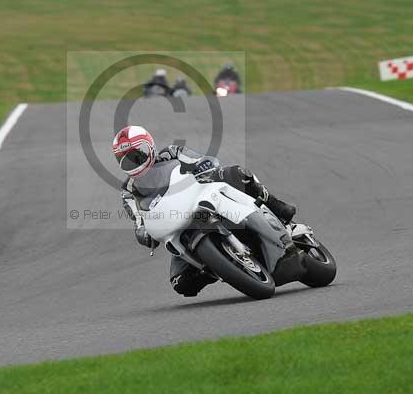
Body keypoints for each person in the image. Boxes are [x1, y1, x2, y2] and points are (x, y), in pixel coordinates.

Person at [112, 125, 298, 297]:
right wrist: (144, 234)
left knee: (238, 174)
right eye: (126, 160)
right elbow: (138, 221)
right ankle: (219, 267)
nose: (134, 162)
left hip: (201, 198)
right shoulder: (128, 191)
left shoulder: (170, 152)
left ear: (150, 147)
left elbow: (197, 159)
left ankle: (277, 208)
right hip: (177, 223)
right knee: (181, 284)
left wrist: (203, 164)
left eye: (138, 154)